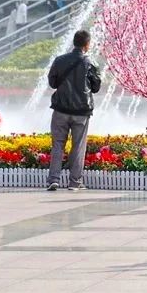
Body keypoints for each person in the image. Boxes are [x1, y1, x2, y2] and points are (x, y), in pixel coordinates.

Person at [46, 30, 102, 191]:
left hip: (60, 109)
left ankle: (53, 180)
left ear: (74, 42)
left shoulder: (59, 60)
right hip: (81, 112)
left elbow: (53, 83)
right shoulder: (91, 63)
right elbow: (96, 87)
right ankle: (75, 182)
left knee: (57, 144)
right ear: (87, 44)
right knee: (78, 146)